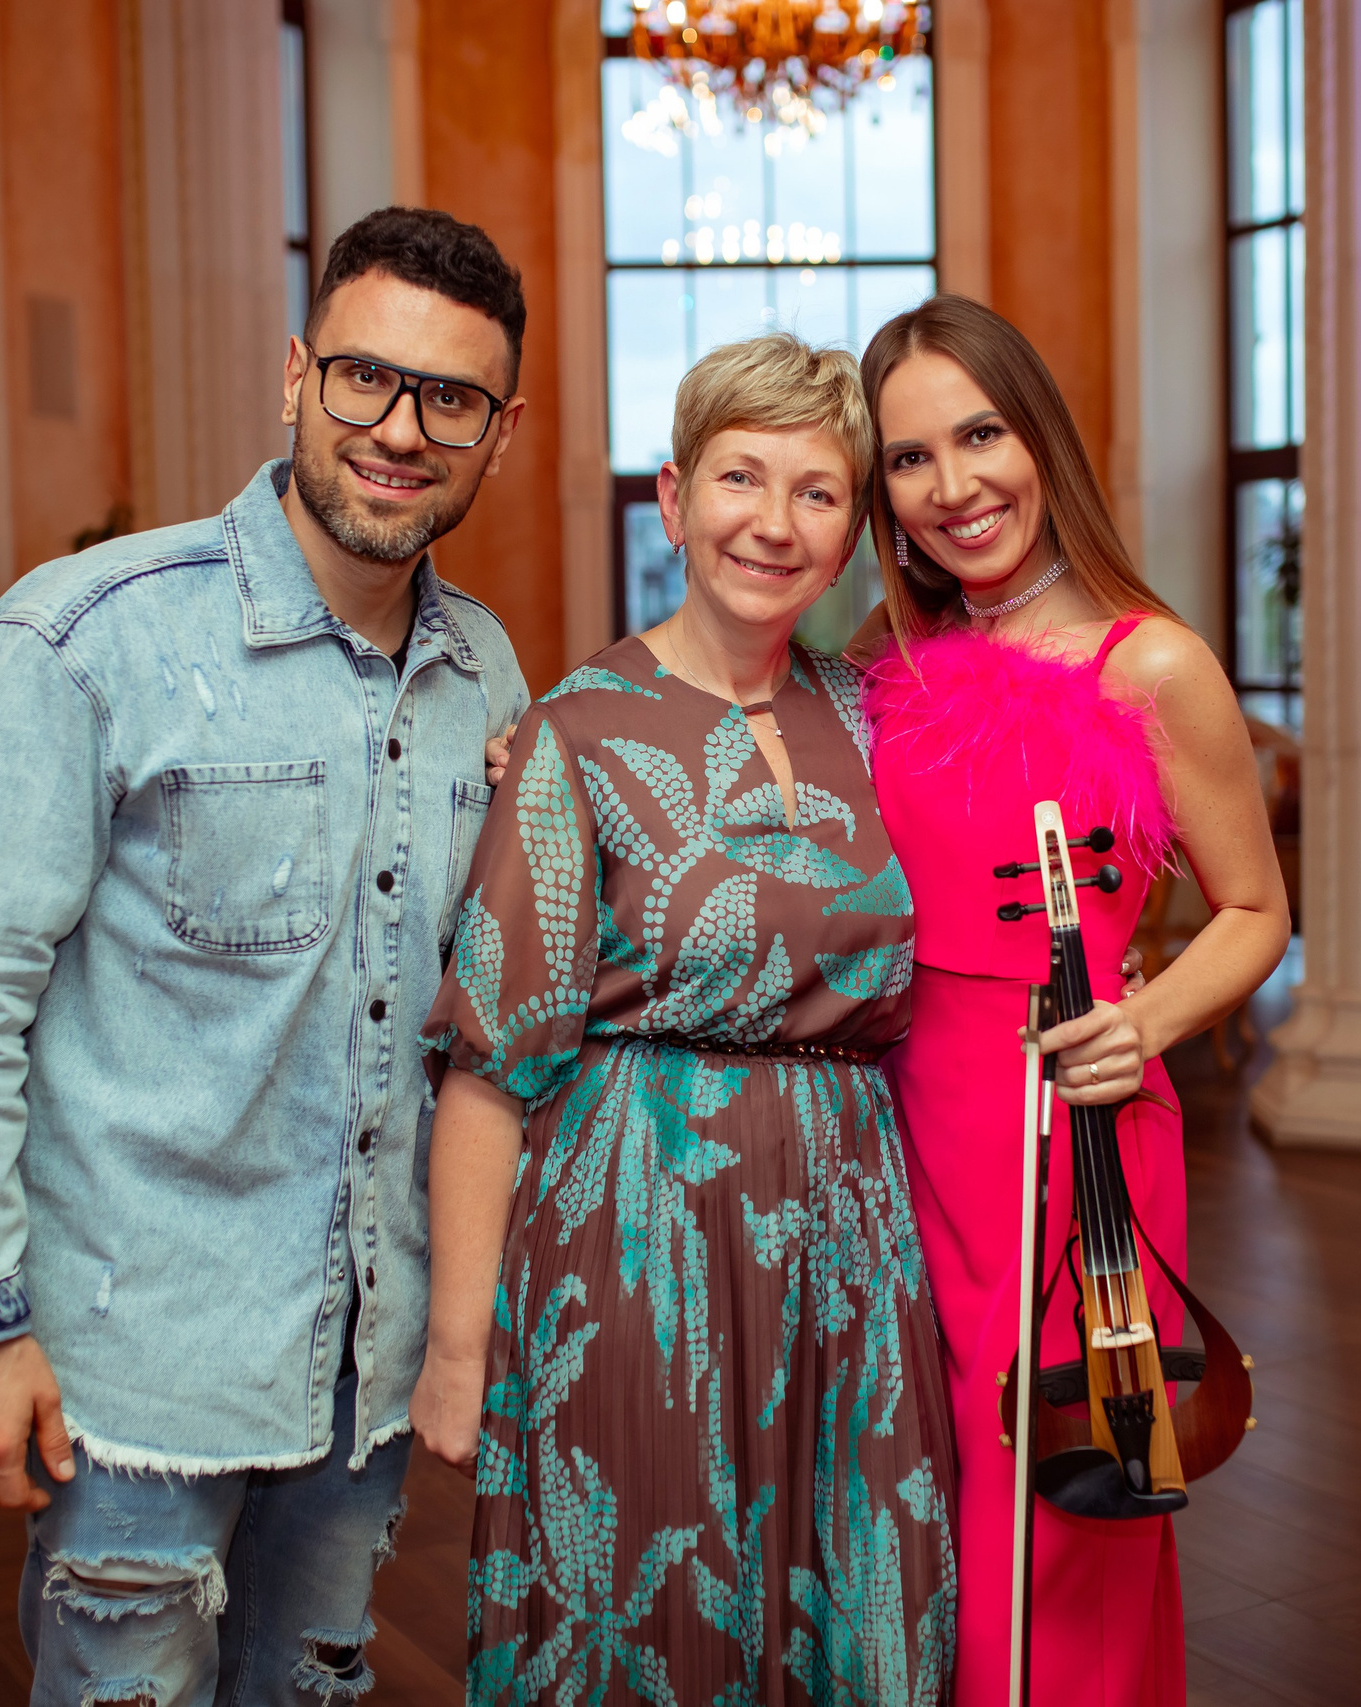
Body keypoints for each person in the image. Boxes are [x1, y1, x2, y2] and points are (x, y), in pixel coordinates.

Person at [0, 207, 532, 1705]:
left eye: (451, 399)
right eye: (364, 378)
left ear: (501, 431)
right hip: (133, 1373)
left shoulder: (489, 674)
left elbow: (478, 1025)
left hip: (364, 1374)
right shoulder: (83, 637)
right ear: (295, 376)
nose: (400, 429)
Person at [413, 333, 958, 1700]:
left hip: (852, 1241)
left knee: (854, 1591)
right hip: (636, 1234)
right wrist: (458, 1349)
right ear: (673, 497)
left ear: (851, 536)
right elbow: (489, 1062)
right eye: (740, 477)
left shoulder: (881, 712)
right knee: (645, 1602)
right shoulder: (575, 730)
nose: (774, 522)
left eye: (818, 492)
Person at [853, 294, 1291, 1706]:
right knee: (927, 1498)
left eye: (980, 433)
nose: (955, 484)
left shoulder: (1153, 662)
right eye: (910, 458)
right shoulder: (879, 668)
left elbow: (1257, 909)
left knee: (1066, 1514)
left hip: (1075, 1128)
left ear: (1039, 435)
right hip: (902, 1126)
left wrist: (1148, 1022)